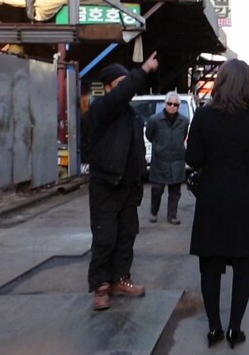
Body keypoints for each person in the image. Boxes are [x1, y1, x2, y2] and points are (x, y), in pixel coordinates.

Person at [185, 59, 249, 349]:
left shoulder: (203, 115)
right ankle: (235, 328)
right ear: (248, 85)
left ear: (220, 82)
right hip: (244, 200)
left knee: (209, 267)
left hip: (211, 199)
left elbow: (193, 159)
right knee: (244, 267)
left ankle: (214, 328)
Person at [87, 54, 158, 311]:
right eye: (120, 84)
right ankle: (101, 286)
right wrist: (144, 70)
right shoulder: (102, 109)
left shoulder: (132, 115)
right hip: (106, 184)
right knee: (105, 237)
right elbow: (122, 94)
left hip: (128, 186)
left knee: (127, 234)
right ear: (107, 88)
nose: (125, 88)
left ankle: (120, 279)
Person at [145, 91, 189, 225]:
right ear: (165, 104)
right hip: (160, 160)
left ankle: (172, 216)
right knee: (157, 189)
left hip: (177, 160)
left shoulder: (184, 121)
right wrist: (159, 147)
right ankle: (154, 211)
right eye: (170, 104)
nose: (172, 106)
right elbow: (149, 135)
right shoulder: (155, 120)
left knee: (175, 191)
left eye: (176, 104)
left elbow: (183, 136)